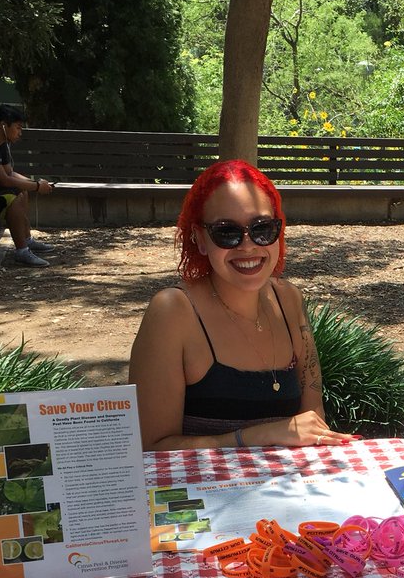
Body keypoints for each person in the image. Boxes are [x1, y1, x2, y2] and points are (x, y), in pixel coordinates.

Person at [129, 159, 354, 451]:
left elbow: (313, 423)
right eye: (227, 232)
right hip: (202, 493)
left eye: (262, 228)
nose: (247, 246)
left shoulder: (289, 301)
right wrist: (254, 436)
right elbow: (150, 448)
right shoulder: (173, 312)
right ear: (199, 239)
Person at [0, 104, 55, 268]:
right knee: (11, 199)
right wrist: (36, 186)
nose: (20, 133)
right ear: (3, 126)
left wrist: (33, 184)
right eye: (18, 128)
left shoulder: (2, 143)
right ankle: (22, 251)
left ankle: (27, 240)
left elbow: (10, 173)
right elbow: (4, 180)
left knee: (22, 191)